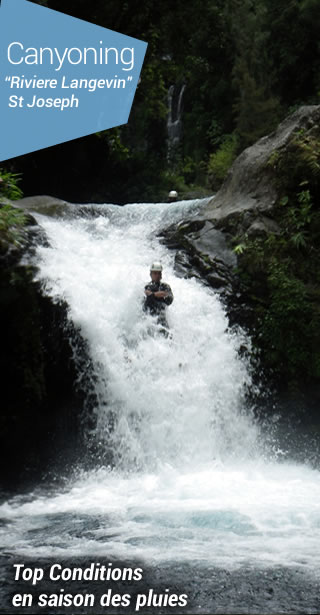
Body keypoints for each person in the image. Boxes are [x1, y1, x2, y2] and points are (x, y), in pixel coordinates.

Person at [144, 262, 174, 333]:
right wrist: (155, 295)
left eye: (159, 273)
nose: (157, 275)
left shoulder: (165, 286)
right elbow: (146, 294)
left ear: (161, 275)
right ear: (150, 274)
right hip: (149, 319)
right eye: (155, 273)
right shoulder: (147, 286)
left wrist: (153, 294)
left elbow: (167, 295)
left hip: (161, 319)